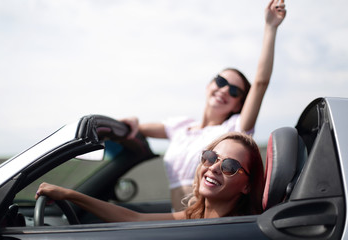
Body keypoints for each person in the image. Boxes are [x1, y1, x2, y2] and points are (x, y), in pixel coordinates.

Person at [121, 0, 286, 211]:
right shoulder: (181, 126)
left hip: (205, 222)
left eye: (235, 91)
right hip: (179, 222)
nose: (225, 90)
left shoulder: (233, 130)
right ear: (209, 85)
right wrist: (132, 120)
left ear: (238, 105)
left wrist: (270, 27)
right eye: (221, 82)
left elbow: (261, 83)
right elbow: (135, 128)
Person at [35, 132, 264, 221]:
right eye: (211, 157)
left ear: (247, 186)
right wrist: (70, 194)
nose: (214, 167)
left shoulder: (238, 228)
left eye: (230, 166)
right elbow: (133, 219)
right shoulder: (196, 217)